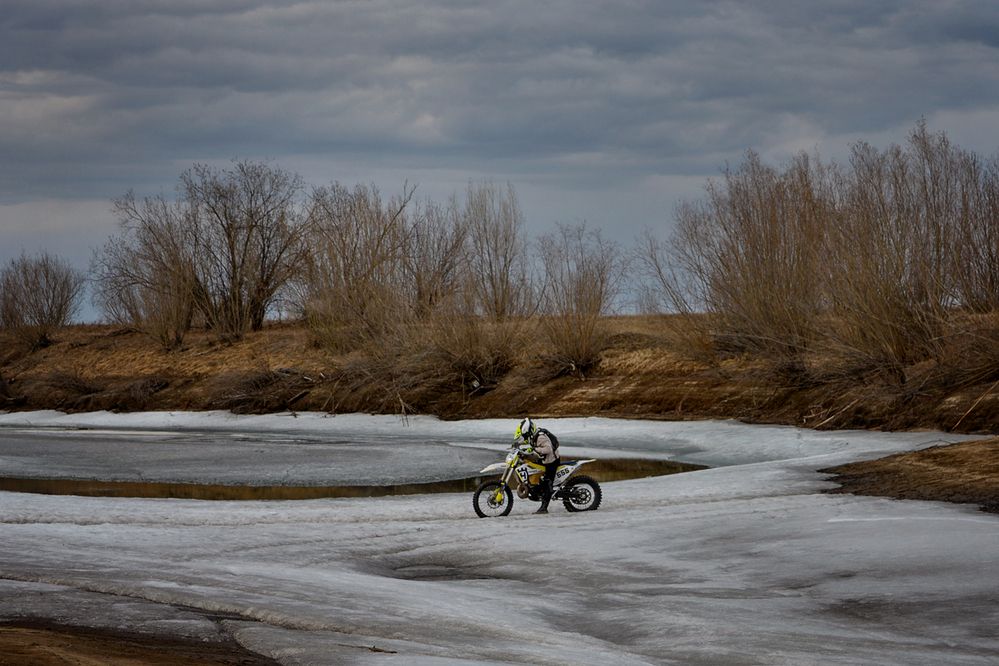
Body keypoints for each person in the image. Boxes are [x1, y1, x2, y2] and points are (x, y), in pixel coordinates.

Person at [515, 417, 560, 514]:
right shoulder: (533, 436)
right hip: (544, 459)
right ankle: (535, 488)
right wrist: (516, 446)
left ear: (529, 432)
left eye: (525, 435)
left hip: (551, 461)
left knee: (547, 482)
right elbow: (525, 443)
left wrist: (534, 450)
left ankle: (544, 508)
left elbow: (548, 449)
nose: (525, 438)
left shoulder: (540, 437)